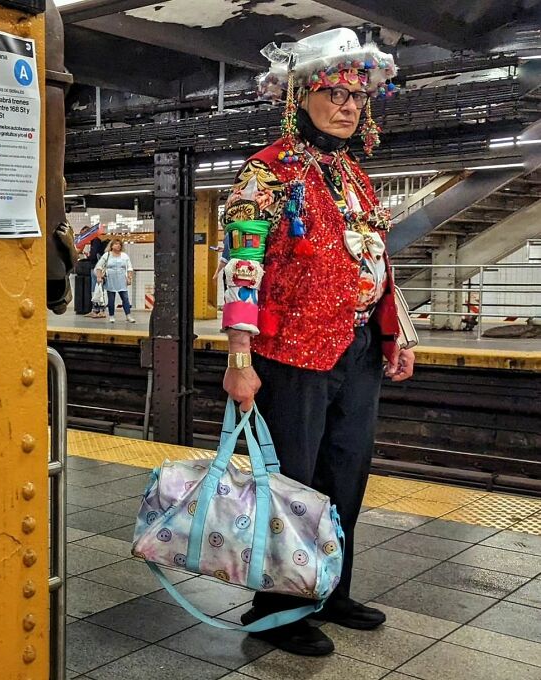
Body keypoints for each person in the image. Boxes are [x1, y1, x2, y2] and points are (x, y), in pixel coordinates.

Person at [221, 28, 415, 657]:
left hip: (355, 351)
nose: (347, 105)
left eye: (357, 96)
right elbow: (242, 267)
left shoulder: (354, 175)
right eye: (333, 92)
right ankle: (276, 608)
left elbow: (376, 259)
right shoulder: (267, 172)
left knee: (345, 475)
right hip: (291, 355)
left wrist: (396, 332)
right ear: (300, 95)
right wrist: (239, 360)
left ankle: (330, 589)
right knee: (291, 487)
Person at [95, 237, 136, 323]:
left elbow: (129, 268)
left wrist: (129, 278)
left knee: (125, 298)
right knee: (111, 299)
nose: (118, 246)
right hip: (110, 279)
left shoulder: (124, 256)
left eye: (119, 244)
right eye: (116, 244)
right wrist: (99, 277)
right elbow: (99, 266)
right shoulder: (107, 255)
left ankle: (128, 315)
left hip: (121, 279)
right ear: (111, 245)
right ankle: (111, 316)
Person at [86, 232, 108, 318]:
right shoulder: (97, 241)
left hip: (96, 268)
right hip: (97, 268)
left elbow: (94, 255)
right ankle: (95, 310)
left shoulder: (95, 241)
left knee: (97, 289)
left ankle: (100, 310)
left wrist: (89, 256)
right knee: (96, 289)